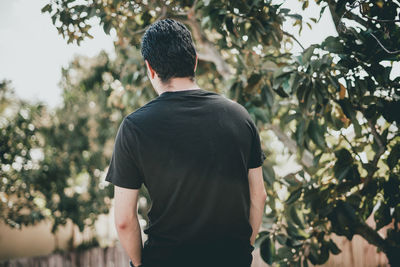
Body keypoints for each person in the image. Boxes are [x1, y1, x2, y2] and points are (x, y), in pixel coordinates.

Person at [105, 18, 267, 267]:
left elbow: (124, 220)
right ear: (194, 61)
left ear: (150, 69)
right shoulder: (240, 117)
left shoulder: (134, 128)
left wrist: (140, 264)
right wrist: (242, 252)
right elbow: (259, 196)